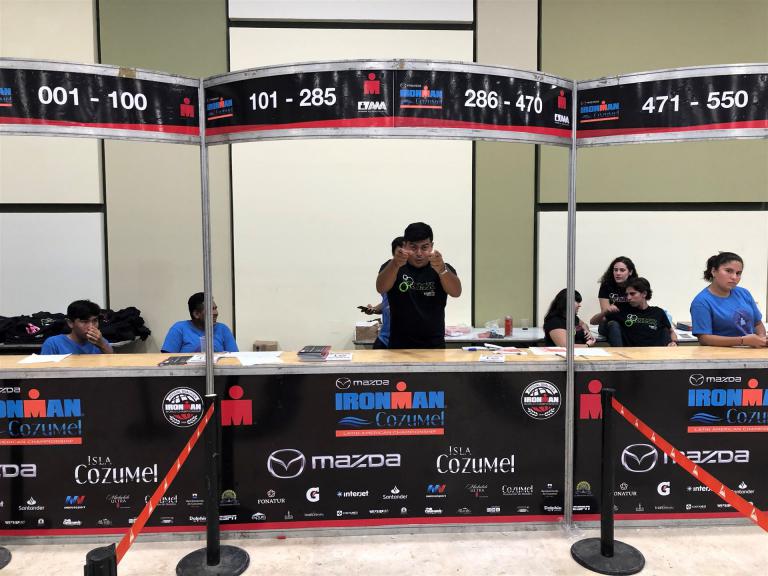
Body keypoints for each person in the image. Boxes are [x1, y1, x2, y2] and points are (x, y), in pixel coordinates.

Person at [375, 222, 461, 349]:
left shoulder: (441, 267)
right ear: (404, 245)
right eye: (413, 247)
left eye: (424, 247)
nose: (419, 253)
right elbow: (381, 288)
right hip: (399, 347)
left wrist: (442, 269)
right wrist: (395, 264)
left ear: (431, 246)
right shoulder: (393, 266)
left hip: (434, 346)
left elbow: (456, 292)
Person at [690, 252, 767, 348]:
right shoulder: (702, 302)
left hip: (750, 351)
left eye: (738, 273)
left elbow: (757, 323)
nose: (734, 277)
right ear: (714, 271)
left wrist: (762, 339)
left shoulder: (744, 293)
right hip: (720, 354)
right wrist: (742, 340)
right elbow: (704, 339)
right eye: (728, 271)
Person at [591, 278, 677, 347]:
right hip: (631, 356)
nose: (628, 297)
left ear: (644, 294)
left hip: (653, 355)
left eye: (632, 294)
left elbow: (671, 332)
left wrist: (673, 342)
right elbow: (593, 321)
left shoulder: (658, 312)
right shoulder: (622, 309)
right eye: (627, 294)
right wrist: (605, 311)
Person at [360, 236, 404, 349]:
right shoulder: (387, 270)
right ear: (394, 254)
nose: (402, 256)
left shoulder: (412, 277)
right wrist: (374, 309)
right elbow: (387, 302)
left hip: (406, 341)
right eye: (399, 253)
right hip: (385, 339)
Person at [161, 292, 239, 353]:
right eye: (211, 309)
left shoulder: (223, 329)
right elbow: (165, 361)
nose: (216, 313)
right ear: (196, 314)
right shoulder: (179, 329)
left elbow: (235, 359)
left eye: (215, 308)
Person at [590, 256, 638, 347]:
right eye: (615, 270)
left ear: (630, 272)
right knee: (614, 324)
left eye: (622, 270)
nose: (618, 273)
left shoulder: (635, 286)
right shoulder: (606, 285)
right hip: (609, 322)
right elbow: (606, 312)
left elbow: (638, 309)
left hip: (628, 320)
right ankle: (619, 354)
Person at [40, 300, 114, 355]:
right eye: (84, 322)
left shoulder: (100, 341)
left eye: (95, 321)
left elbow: (112, 365)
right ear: (70, 323)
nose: (91, 327)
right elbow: (44, 370)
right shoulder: (53, 343)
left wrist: (102, 345)